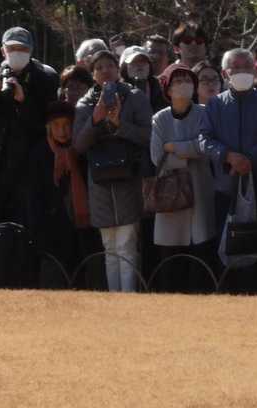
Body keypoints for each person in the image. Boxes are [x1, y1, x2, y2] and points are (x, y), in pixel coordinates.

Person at [74, 49, 151, 293]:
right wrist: (95, 120)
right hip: (100, 182)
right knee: (109, 245)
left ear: (118, 69)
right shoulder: (85, 103)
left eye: (110, 65)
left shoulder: (135, 97)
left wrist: (119, 125)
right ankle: (115, 300)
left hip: (128, 178)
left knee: (127, 242)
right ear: (92, 74)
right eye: (99, 68)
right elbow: (78, 146)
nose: (105, 71)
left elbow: (148, 136)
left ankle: (129, 298)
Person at [0, 26, 58, 241]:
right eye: (12, 49)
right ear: (3, 51)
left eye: (22, 48)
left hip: (30, 165)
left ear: (31, 51)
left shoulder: (45, 77)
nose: (17, 53)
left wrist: (23, 100)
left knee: (29, 232)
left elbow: (46, 123)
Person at [200, 47, 257, 261]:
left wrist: (250, 160)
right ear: (224, 73)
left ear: (255, 70)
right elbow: (204, 139)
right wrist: (228, 156)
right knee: (227, 246)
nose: (241, 71)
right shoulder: (215, 104)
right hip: (226, 187)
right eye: (235, 67)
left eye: (247, 66)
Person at [149, 62, 215, 286]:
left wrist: (174, 147)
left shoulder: (205, 113)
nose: (183, 85)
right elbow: (157, 157)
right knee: (171, 258)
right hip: (170, 194)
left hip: (199, 189)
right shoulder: (159, 119)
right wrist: (189, 152)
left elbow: (205, 147)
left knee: (200, 253)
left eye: (187, 80)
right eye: (177, 81)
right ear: (168, 89)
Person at [26, 100, 90, 273]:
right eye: (56, 125)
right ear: (48, 127)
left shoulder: (82, 150)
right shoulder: (39, 154)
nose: (62, 131)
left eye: (67, 125)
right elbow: (35, 196)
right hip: (52, 229)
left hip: (83, 227)